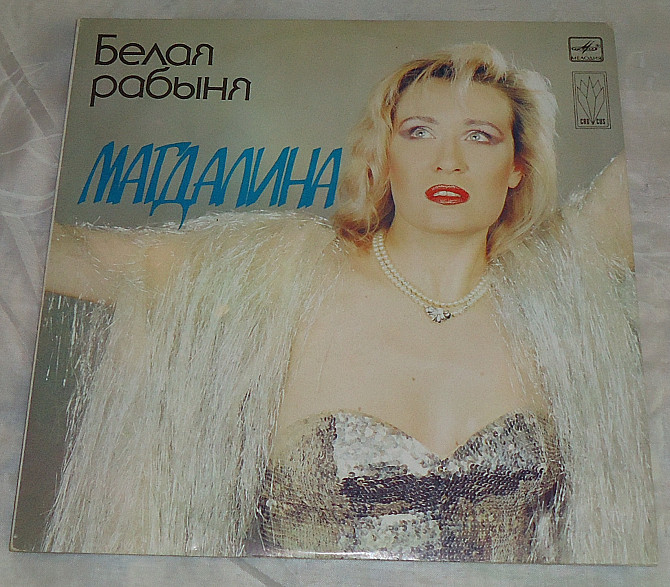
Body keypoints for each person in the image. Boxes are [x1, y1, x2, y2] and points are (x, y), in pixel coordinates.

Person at [41, 44, 655, 564]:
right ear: (384, 155)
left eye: (480, 136)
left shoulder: (559, 286)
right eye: (419, 132)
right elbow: (74, 257)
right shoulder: (282, 273)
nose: (449, 160)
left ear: (517, 166)